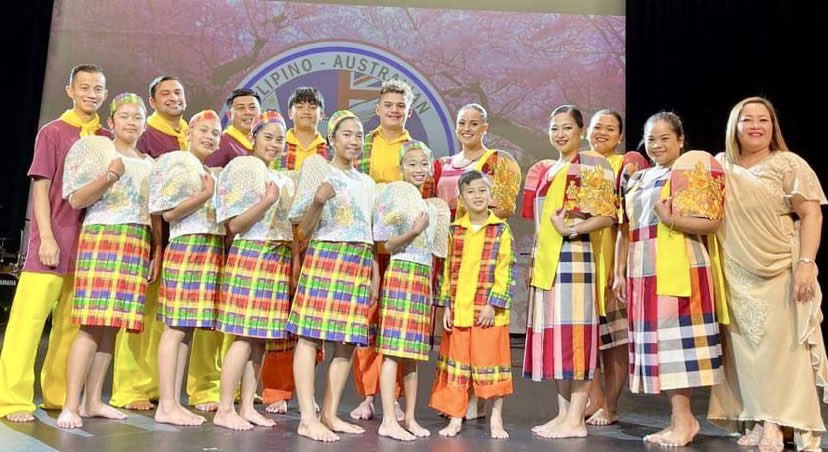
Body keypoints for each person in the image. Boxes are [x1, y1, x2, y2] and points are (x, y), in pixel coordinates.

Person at [708, 97, 827, 452]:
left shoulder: (788, 163)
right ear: (735, 125)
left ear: (773, 126)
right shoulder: (719, 165)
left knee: (779, 349)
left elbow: (811, 215)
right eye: (748, 120)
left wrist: (807, 263)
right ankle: (759, 418)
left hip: (780, 266)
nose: (756, 126)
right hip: (734, 268)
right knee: (746, 350)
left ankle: (777, 423)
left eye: (764, 120)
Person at [0, 64, 111, 422]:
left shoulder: (107, 137)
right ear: (70, 90)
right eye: (85, 87)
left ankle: (59, 395)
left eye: (98, 88)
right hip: (52, 241)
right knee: (28, 323)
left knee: (69, 326)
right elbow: (40, 188)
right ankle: (12, 399)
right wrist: (44, 237)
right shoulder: (54, 132)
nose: (91, 94)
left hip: (89, 245)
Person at [429, 170, 516, 439]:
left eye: (482, 190)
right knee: (457, 367)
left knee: (492, 365)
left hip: (488, 313)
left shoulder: (500, 229)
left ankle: (496, 419)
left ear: (490, 194)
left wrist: (493, 304)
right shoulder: (455, 231)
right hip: (460, 312)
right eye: (471, 192)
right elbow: (446, 272)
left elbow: (506, 270)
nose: (477, 196)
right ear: (462, 198)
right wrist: (445, 306)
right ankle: (456, 417)